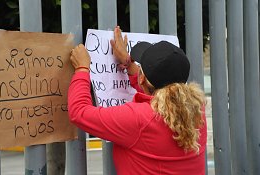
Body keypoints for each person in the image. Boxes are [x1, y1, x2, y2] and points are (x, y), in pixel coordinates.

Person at [68, 26, 207, 175]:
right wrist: (130, 66)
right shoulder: (196, 111)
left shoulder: (139, 119)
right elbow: (163, 94)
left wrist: (82, 68)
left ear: (142, 78)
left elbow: (79, 112)